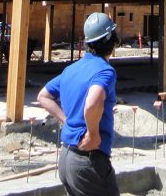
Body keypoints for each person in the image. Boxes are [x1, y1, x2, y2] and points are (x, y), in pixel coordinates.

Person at [38, 12, 120, 196]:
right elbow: (92, 103)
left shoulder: (71, 70)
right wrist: (93, 133)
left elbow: (43, 96)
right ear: (111, 40)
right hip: (88, 161)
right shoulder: (105, 71)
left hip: (67, 159)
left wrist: (66, 120)